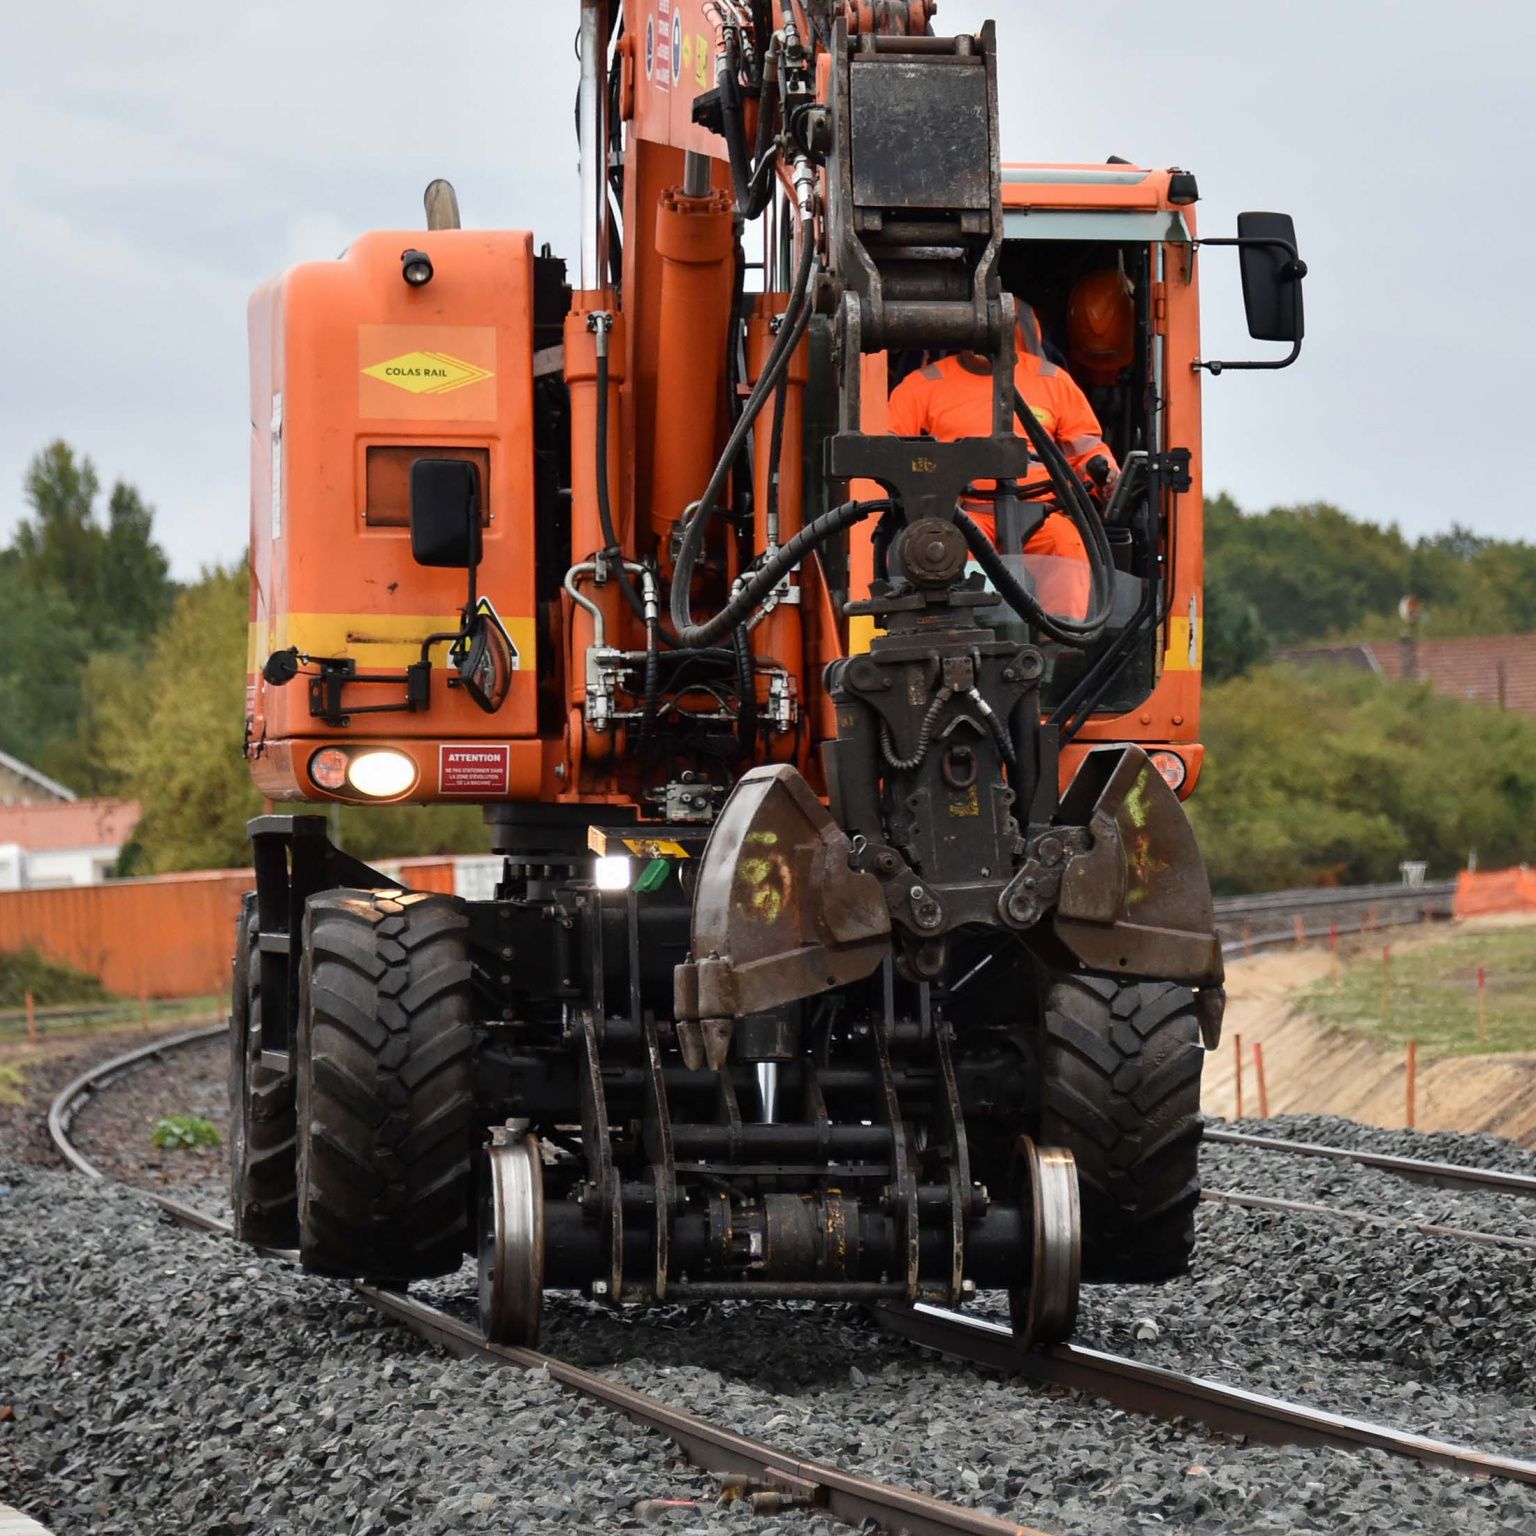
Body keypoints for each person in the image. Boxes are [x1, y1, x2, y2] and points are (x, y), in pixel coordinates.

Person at [887, 301, 1117, 617]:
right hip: (960, 516)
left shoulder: (1053, 381)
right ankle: (963, 636)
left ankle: (1061, 644)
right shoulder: (922, 386)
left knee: (1069, 547)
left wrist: (1110, 476)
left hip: (1040, 516)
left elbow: (1088, 450)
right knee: (939, 555)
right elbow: (892, 455)